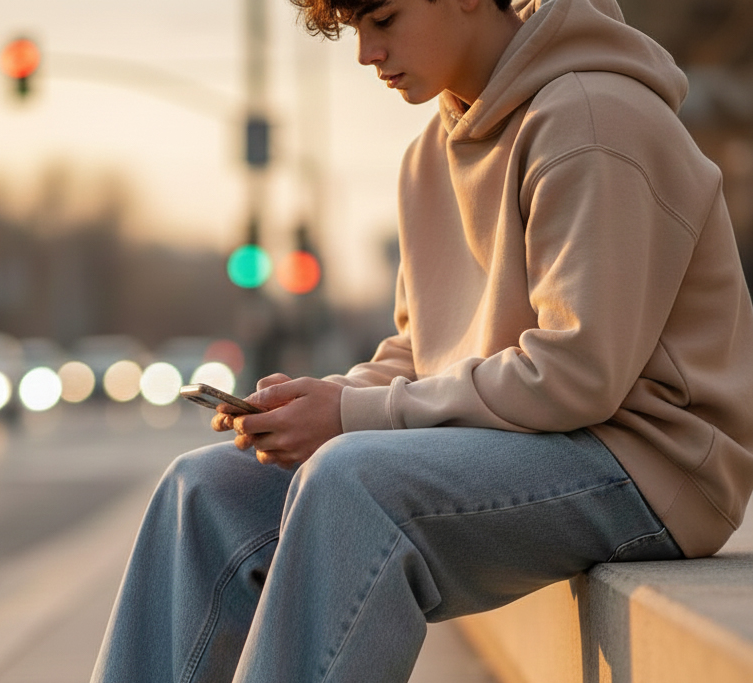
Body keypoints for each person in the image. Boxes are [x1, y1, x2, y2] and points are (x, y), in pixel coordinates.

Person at [91, 0, 753, 680]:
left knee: (353, 484)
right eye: (354, 30)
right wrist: (319, 401)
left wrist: (350, 419)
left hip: (650, 462)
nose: (365, 53)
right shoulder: (428, 157)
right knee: (203, 489)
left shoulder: (594, 117)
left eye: (383, 19)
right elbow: (422, 354)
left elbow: (579, 373)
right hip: (535, 441)